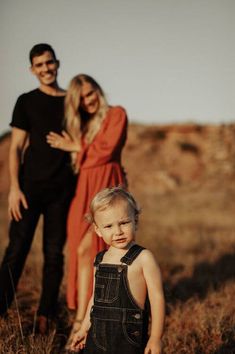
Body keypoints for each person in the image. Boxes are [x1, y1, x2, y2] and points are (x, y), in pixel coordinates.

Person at [46, 74, 128, 345]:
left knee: (100, 253)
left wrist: (76, 147)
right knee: (80, 251)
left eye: (91, 93)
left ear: (98, 90)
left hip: (106, 185)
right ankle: (81, 318)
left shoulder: (116, 114)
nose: (88, 100)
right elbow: (80, 158)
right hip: (83, 190)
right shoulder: (82, 125)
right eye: (81, 98)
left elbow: (105, 151)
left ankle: (88, 320)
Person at [0, 44, 75, 334]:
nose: (45, 69)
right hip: (29, 189)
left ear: (57, 63)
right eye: (39, 65)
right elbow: (15, 147)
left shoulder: (71, 101)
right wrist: (14, 189)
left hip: (62, 190)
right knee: (16, 250)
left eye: (49, 63)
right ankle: (2, 307)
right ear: (32, 69)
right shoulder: (26, 101)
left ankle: (46, 314)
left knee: (54, 254)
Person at [70, 186, 165, 354]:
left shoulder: (143, 258)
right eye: (108, 226)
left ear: (136, 221)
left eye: (124, 223)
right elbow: (95, 300)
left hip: (127, 340)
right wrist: (85, 328)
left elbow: (157, 298)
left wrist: (156, 337)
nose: (118, 232)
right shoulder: (99, 259)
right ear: (98, 230)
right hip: (96, 337)